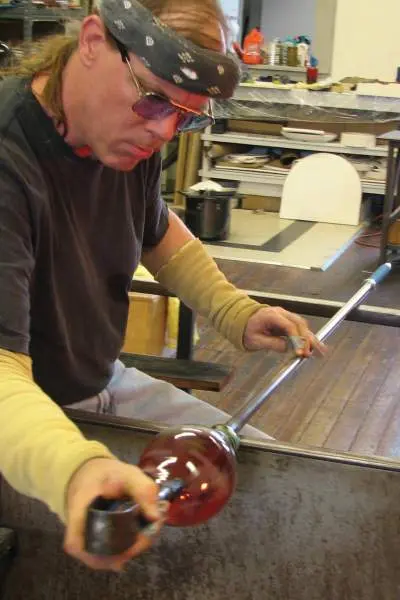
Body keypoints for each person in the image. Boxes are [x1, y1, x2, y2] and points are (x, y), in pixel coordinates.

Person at [0, 0, 325, 573]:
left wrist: (233, 310)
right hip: (26, 415)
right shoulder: (9, 161)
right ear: (94, 40)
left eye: (186, 117)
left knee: (277, 473)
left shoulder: (129, 136)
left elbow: (156, 229)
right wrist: (73, 468)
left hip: (99, 380)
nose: (162, 130)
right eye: (153, 100)